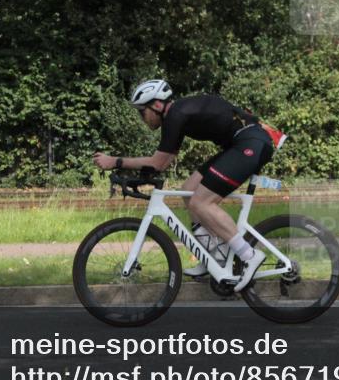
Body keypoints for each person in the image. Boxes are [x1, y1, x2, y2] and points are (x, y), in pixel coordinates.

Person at [93, 79, 279, 293]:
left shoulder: (176, 114)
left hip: (251, 143)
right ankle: (214, 256)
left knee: (202, 202)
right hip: (241, 143)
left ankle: (249, 255)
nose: (141, 118)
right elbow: (163, 162)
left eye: (142, 112)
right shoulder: (177, 114)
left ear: (156, 105)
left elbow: (158, 163)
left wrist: (115, 161)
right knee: (189, 191)